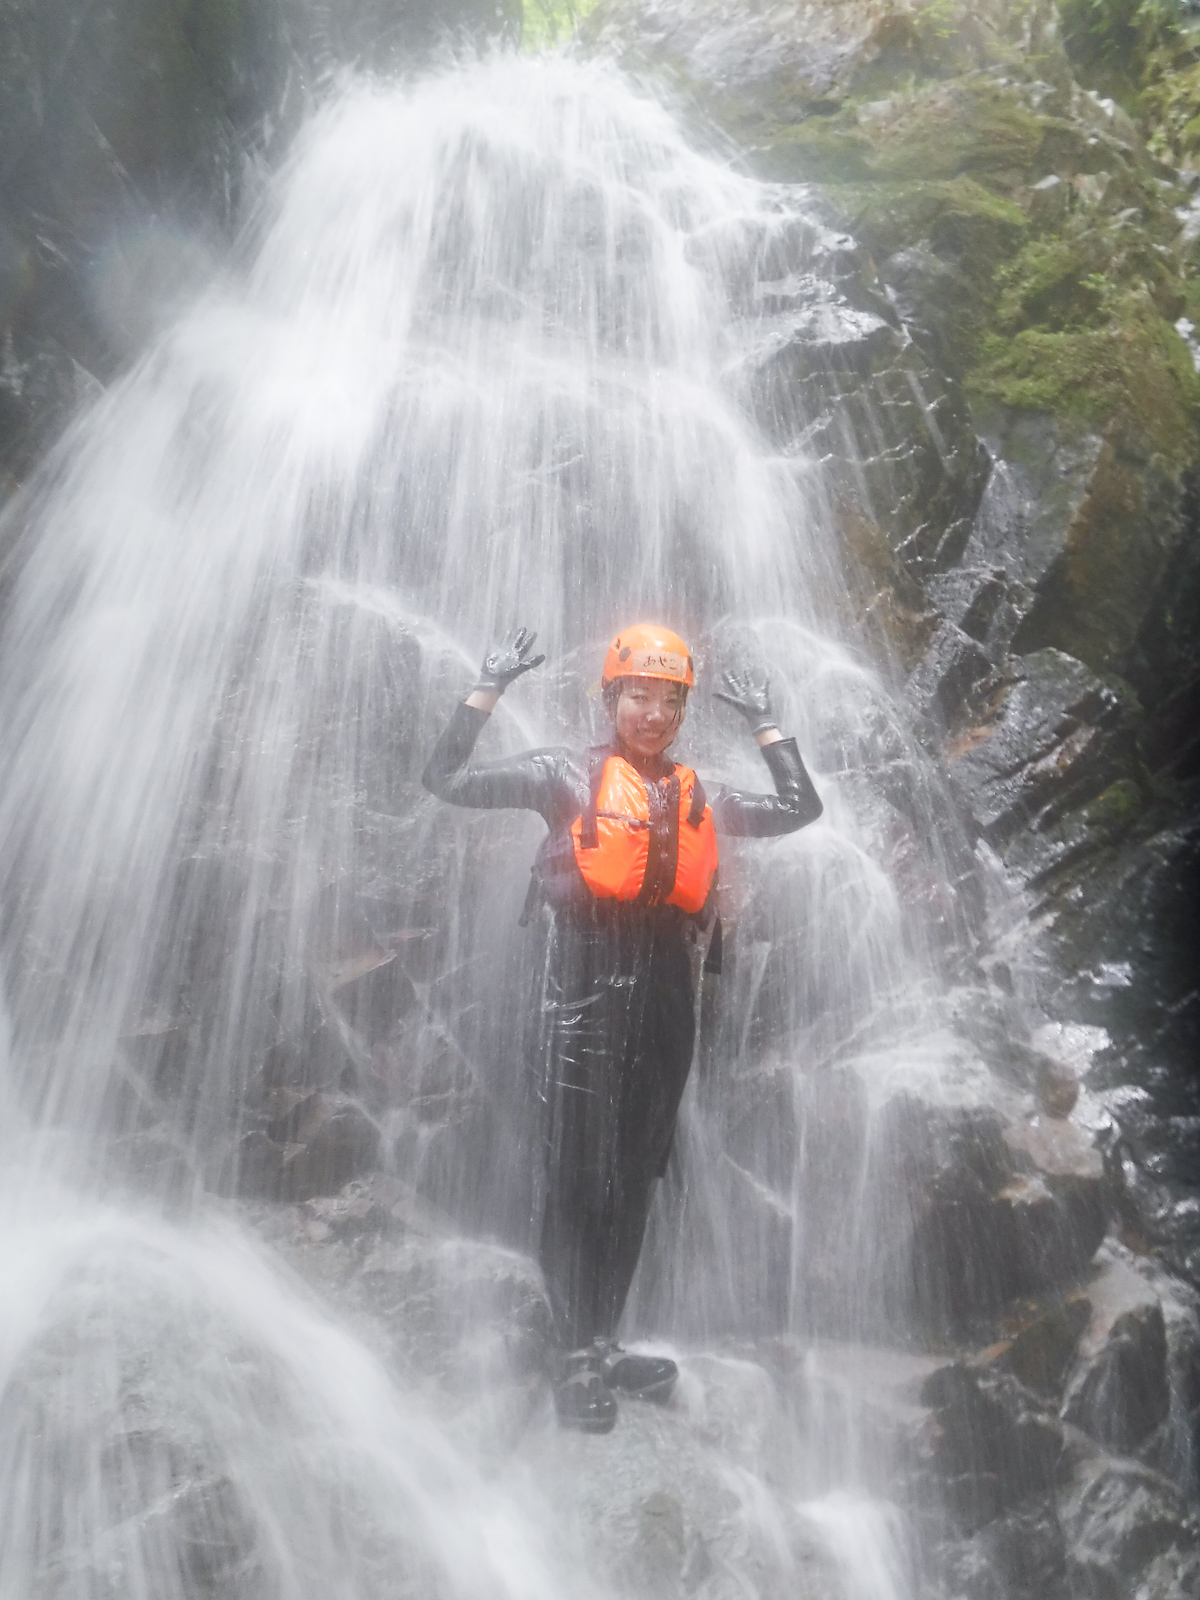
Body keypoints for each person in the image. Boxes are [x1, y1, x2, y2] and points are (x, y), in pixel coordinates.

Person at [422, 623, 822, 1431]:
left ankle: (603, 1342)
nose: (654, 714)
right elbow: (445, 777)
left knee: (636, 1178)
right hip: (581, 995)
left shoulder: (700, 793)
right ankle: (571, 1352)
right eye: (639, 696)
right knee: (577, 1176)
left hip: (668, 1000)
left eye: (669, 701)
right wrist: (488, 686)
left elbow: (798, 806)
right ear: (611, 699)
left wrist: (766, 722)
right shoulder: (562, 776)